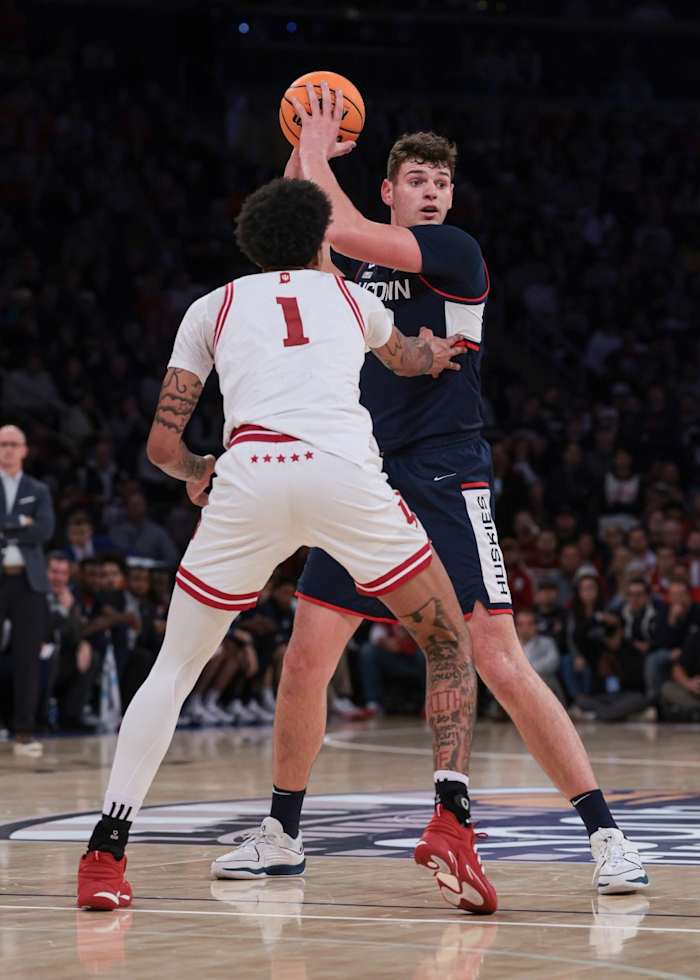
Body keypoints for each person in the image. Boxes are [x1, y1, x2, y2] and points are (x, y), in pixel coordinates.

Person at [227, 82, 647, 897]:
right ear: (388, 190)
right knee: (306, 656)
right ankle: (281, 833)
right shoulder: (352, 265)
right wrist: (306, 145)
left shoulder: (455, 251)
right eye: (416, 181)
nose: (431, 192)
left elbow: (337, 221)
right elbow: (300, 220)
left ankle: (607, 836)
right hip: (363, 476)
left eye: (441, 182)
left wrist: (315, 141)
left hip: (447, 470)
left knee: (498, 659)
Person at [76, 176, 495, 914]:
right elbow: (407, 359)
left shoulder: (212, 306)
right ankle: (450, 821)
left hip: (251, 476)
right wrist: (433, 353)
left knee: (175, 668)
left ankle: (105, 854)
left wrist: (199, 472)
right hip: (342, 477)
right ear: (319, 241)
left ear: (252, 245)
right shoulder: (352, 298)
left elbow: (162, 446)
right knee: (447, 640)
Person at [0, 424, 55, 756]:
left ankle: (24, 732)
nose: (7, 449)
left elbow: (45, 530)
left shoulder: (38, 489)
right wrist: (22, 522)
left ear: (24, 450)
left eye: (13, 444)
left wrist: (6, 526)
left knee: (27, 658)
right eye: (2, 444)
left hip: (28, 581)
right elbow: (32, 528)